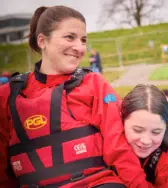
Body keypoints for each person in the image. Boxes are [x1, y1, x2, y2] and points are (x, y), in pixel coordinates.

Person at [0, 6, 153, 188]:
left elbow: (119, 147)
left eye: (83, 40)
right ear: (42, 41)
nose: (79, 47)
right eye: (69, 37)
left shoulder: (93, 84)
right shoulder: (8, 94)